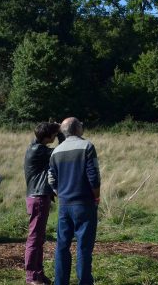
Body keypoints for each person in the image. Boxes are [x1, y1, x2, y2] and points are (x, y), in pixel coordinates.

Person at [48, 117, 101, 285]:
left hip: (64, 204)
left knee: (62, 246)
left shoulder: (56, 151)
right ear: (78, 128)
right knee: (84, 247)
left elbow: (51, 179)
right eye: (81, 124)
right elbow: (94, 177)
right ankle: (84, 282)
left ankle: (60, 282)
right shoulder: (87, 146)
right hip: (84, 203)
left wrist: (60, 193)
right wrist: (96, 197)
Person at [24, 121, 64, 285]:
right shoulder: (39, 150)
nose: (55, 137)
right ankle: (32, 276)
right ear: (48, 136)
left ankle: (38, 274)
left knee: (38, 238)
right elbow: (62, 151)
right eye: (54, 135)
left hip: (37, 196)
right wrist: (61, 132)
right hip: (39, 197)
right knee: (35, 238)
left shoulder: (35, 147)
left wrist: (55, 129)